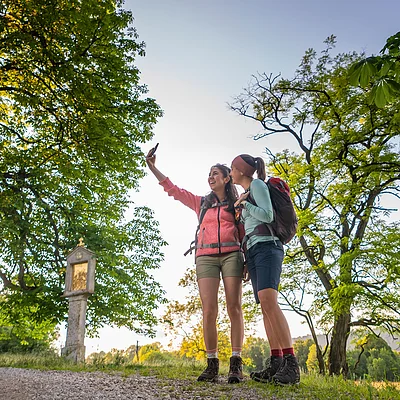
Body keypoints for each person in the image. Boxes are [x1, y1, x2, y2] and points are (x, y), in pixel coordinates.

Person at [146, 146, 245, 384]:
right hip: (205, 258)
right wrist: (153, 167)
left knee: (234, 308)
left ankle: (236, 364)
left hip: (232, 255)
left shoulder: (238, 204)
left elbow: (244, 233)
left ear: (226, 178)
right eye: (208, 174)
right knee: (209, 310)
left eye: (215, 174)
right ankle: (212, 364)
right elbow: (174, 190)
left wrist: (247, 262)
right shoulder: (201, 203)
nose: (210, 178)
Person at [230, 154, 300, 385]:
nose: (230, 172)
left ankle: (291, 364)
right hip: (254, 250)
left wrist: (246, 204)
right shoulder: (247, 192)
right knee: (265, 307)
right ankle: (276, 362)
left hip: (268, 246)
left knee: (270, 302)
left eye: (232, 168)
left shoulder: (258, 184)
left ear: (241, 171)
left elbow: (268, 215)